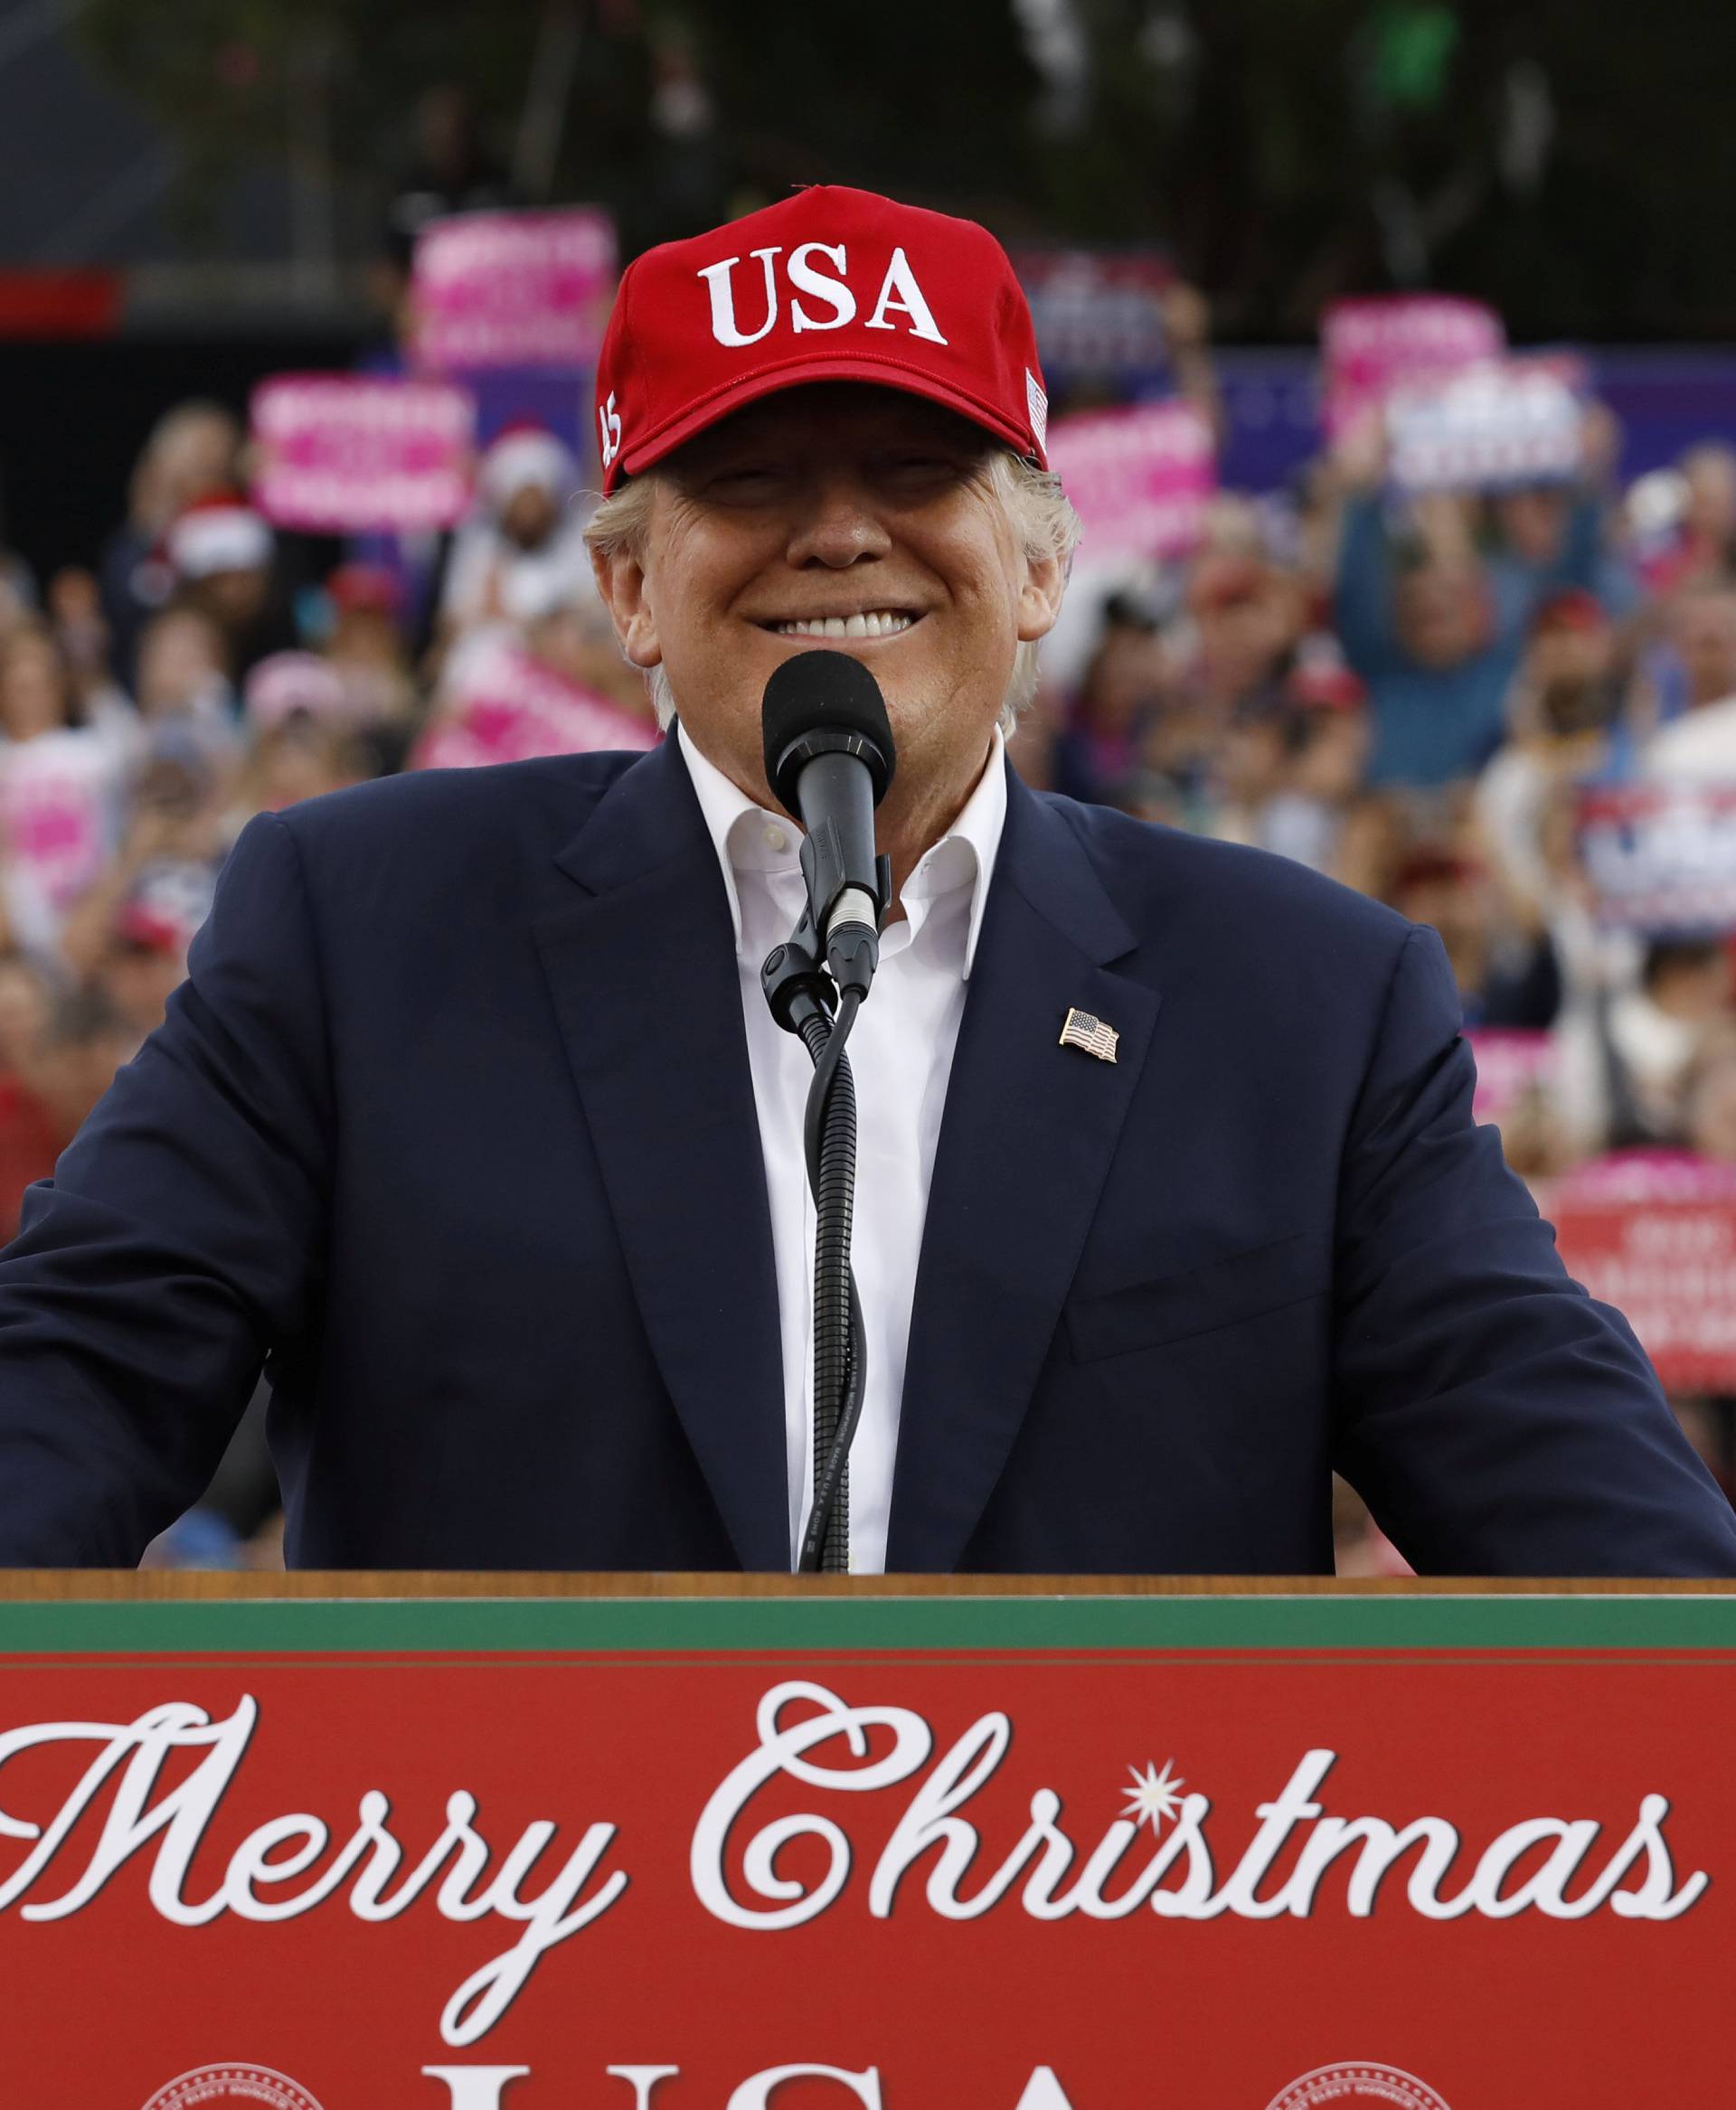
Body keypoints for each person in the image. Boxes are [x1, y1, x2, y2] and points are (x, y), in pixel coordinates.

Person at [0, 184, 1731, 1578]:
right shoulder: (355, 931)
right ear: (629, 594)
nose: (838, 531)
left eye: (916, 469)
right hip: (511, 1994)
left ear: (1042, 562)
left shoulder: (1309, 1002)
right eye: (745, 477)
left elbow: (1613, 1551)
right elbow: (65, 1391)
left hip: (1104, 1989)